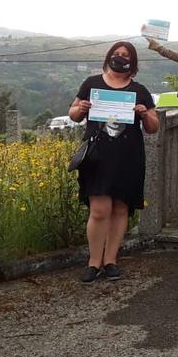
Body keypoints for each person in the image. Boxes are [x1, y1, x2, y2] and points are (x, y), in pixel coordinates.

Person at [69, 42, 160, 282]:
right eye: (116, 54)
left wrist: (144, 113)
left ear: (133, 63)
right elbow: (73, 113)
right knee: (99, 210)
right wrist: (81, 108)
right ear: (109, 57)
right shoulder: (91, 83)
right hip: (97, 155)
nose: (120, 58)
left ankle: (111, 260)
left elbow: (153, 127)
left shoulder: (139, 90)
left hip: (128, 156)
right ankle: (93, 262)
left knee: (120, 208)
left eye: (126, 56)